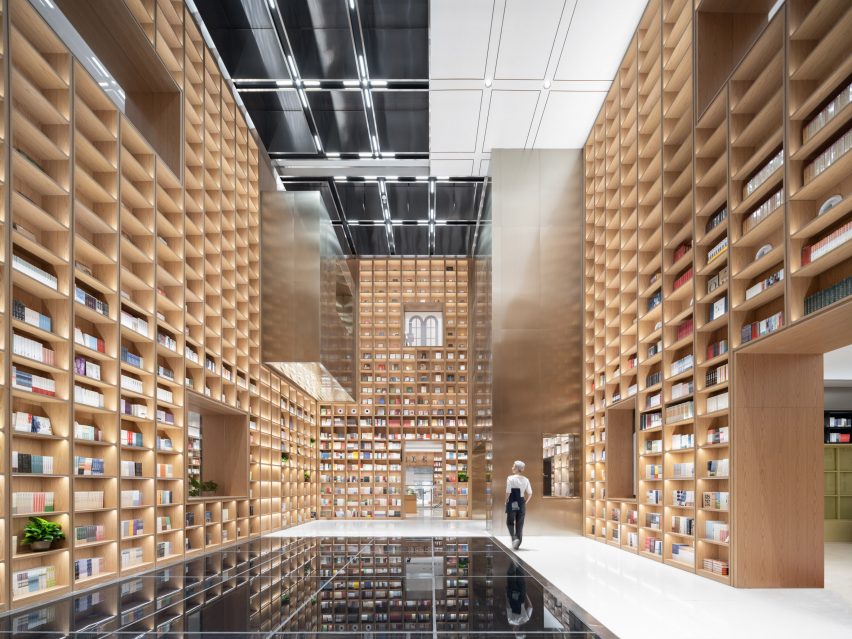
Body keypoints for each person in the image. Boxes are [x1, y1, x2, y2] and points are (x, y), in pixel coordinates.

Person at [505, 460, 532, 549]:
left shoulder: (510, 478)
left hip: (512, 501)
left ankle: (514, 538)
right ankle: (517, 544)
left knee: (509, 522)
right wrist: (525, 503)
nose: (512, 468)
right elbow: (530, 493)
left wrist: (506, 501)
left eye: (513, 466)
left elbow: (508, 491)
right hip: (521, 502)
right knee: (520, 524)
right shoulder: (526, 479)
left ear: (517, 468)